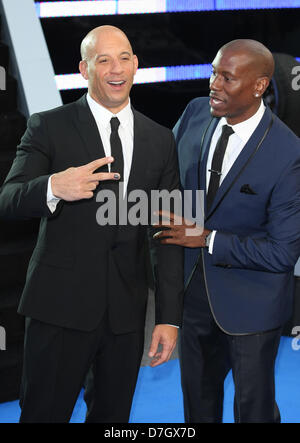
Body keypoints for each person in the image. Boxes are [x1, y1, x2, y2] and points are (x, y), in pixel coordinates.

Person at [0, 25, 183, 423]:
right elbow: (8, 199)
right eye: (103, 60)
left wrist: (168, 317)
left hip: (126, 317)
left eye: (124, 58)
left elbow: (168, 235)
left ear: (136, 64)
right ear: (85, 69)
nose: (115, 69)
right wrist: (53, 186)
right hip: (58, 308)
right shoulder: (49, 126)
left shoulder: (161, 139)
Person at [154, 39, 300, 423]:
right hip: (193, 295)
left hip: (253, 305)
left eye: (227, 77)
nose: (213, 84)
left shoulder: (289, 154)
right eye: (213, 72)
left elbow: (283, 253)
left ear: (259, 86)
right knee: (197, 407)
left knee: (253, 411)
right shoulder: (194, 113)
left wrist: (207, 238)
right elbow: (164, 178)